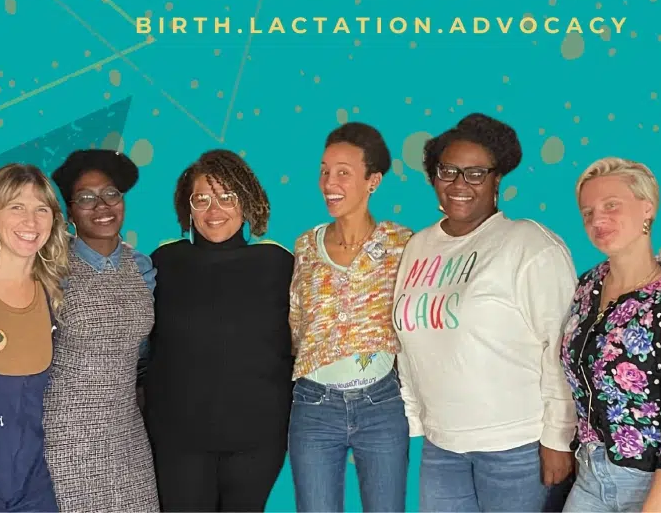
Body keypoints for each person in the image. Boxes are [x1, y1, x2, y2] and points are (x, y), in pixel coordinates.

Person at [393, 112, 577, 513]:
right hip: (443, 446)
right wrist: (414, 421)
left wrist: (558, 438)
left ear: (497, 180)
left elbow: (560, 348)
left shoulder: (529, 244)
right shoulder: (418, 246)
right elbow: (406, 346)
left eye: (476, 173)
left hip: (517, 446)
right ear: (433, 176)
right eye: (449, 171)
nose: (460, 184)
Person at [143, 149, 295, 512]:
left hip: (257, 438)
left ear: (247, 202)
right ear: (188, 207)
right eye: (203, 199)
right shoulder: (163, 262)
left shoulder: (278, 263)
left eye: (228, 197)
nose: (215, 210)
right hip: (177, 439)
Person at [560, 157, 661, 512]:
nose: (598, 219)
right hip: (592, 474)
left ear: (647, 208)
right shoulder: (587, 286)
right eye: (588, 212)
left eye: (611, 205)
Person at [288, 122, 413, 512]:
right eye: (325, 170)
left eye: (343, 172)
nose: (329, 181)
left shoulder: (402, 244)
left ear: (372, 180)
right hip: (313, 405)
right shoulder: (306, 245)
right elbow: (296, 323)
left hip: (381, 404)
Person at [43, 149, 159, 512]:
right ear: (70, 210)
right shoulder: (51, 268)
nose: (102, 206)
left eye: (110, 193)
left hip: (126, 429)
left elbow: (141, 350)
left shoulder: (142, 266)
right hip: (67, 432)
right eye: (86, 198)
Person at [0, 164, 70, 512]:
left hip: (34, 487)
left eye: (42, 209)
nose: (32, 221)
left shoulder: (54, 295)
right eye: (17, 207)